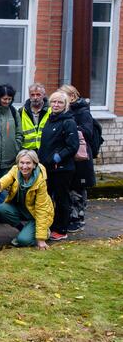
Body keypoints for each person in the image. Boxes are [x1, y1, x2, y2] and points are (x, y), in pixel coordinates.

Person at [38, 90, 79, 241]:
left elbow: (72, 146)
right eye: (53, 102)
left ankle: (61, 229)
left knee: (62, 199)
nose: (56, 105)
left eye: (60, 102)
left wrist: (56, 158)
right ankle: (51, 225)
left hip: (62, 169)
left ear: (65, 105)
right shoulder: (50, 119)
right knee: (48, 198)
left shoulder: (68, 122)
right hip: (47, 168)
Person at [0, 150, 54, 250]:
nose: (24, 166)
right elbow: (6, 179)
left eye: (28, 163)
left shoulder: (40, 181)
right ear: (18, 163)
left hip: (36, 214)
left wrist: (41, 239)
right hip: (23, 209)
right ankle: (24, 229)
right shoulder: (15, 170)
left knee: (23, 241)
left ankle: (44, 232)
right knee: (2, 209)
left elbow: (41, 210)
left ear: (34, 164)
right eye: (22, 163)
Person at [60, 84, 96, 233]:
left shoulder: (83, 112)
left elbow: (88, 132)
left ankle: (78, 219)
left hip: (81, 158)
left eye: (64, 96)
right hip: (69, 157)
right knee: (69, 189)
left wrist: (70, 128)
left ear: (72, 96)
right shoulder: (65, 111)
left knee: (78, 190)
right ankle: (70, 217)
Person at [0, 84, 23, 187]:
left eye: (9, 99)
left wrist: (16, 146)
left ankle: (2, 204)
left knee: (5, 189)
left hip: (10, 159)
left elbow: (19, 132)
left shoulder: (13, 111)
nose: (7, 101)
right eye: (4, 99)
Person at [19, 82, 50, 150]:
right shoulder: (22, 111)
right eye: (32, 95)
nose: (35, 97)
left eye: (38, 94)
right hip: (27, 150)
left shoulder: (51, 111)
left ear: (44, 95)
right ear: (29, 96)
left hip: (45, 149)